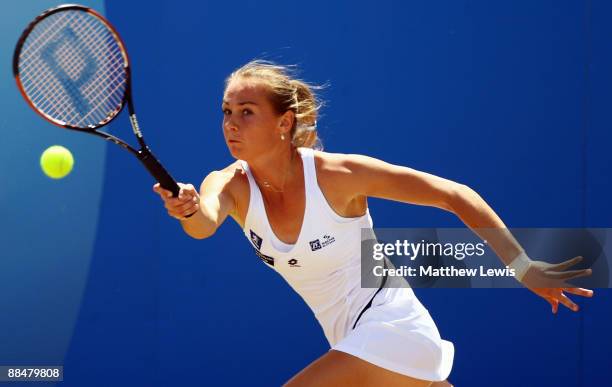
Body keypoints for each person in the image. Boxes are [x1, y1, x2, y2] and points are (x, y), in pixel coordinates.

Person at [153, 60, 594, 387]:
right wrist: (188, 208)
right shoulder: (228, 183)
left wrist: (522, 267)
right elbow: (204, 222)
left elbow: (454, 195)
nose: (231, 124)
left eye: (246, 111)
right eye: (226, 111)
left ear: (284, 122)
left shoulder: (338, 175)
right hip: (349, 337)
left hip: (390, 324)